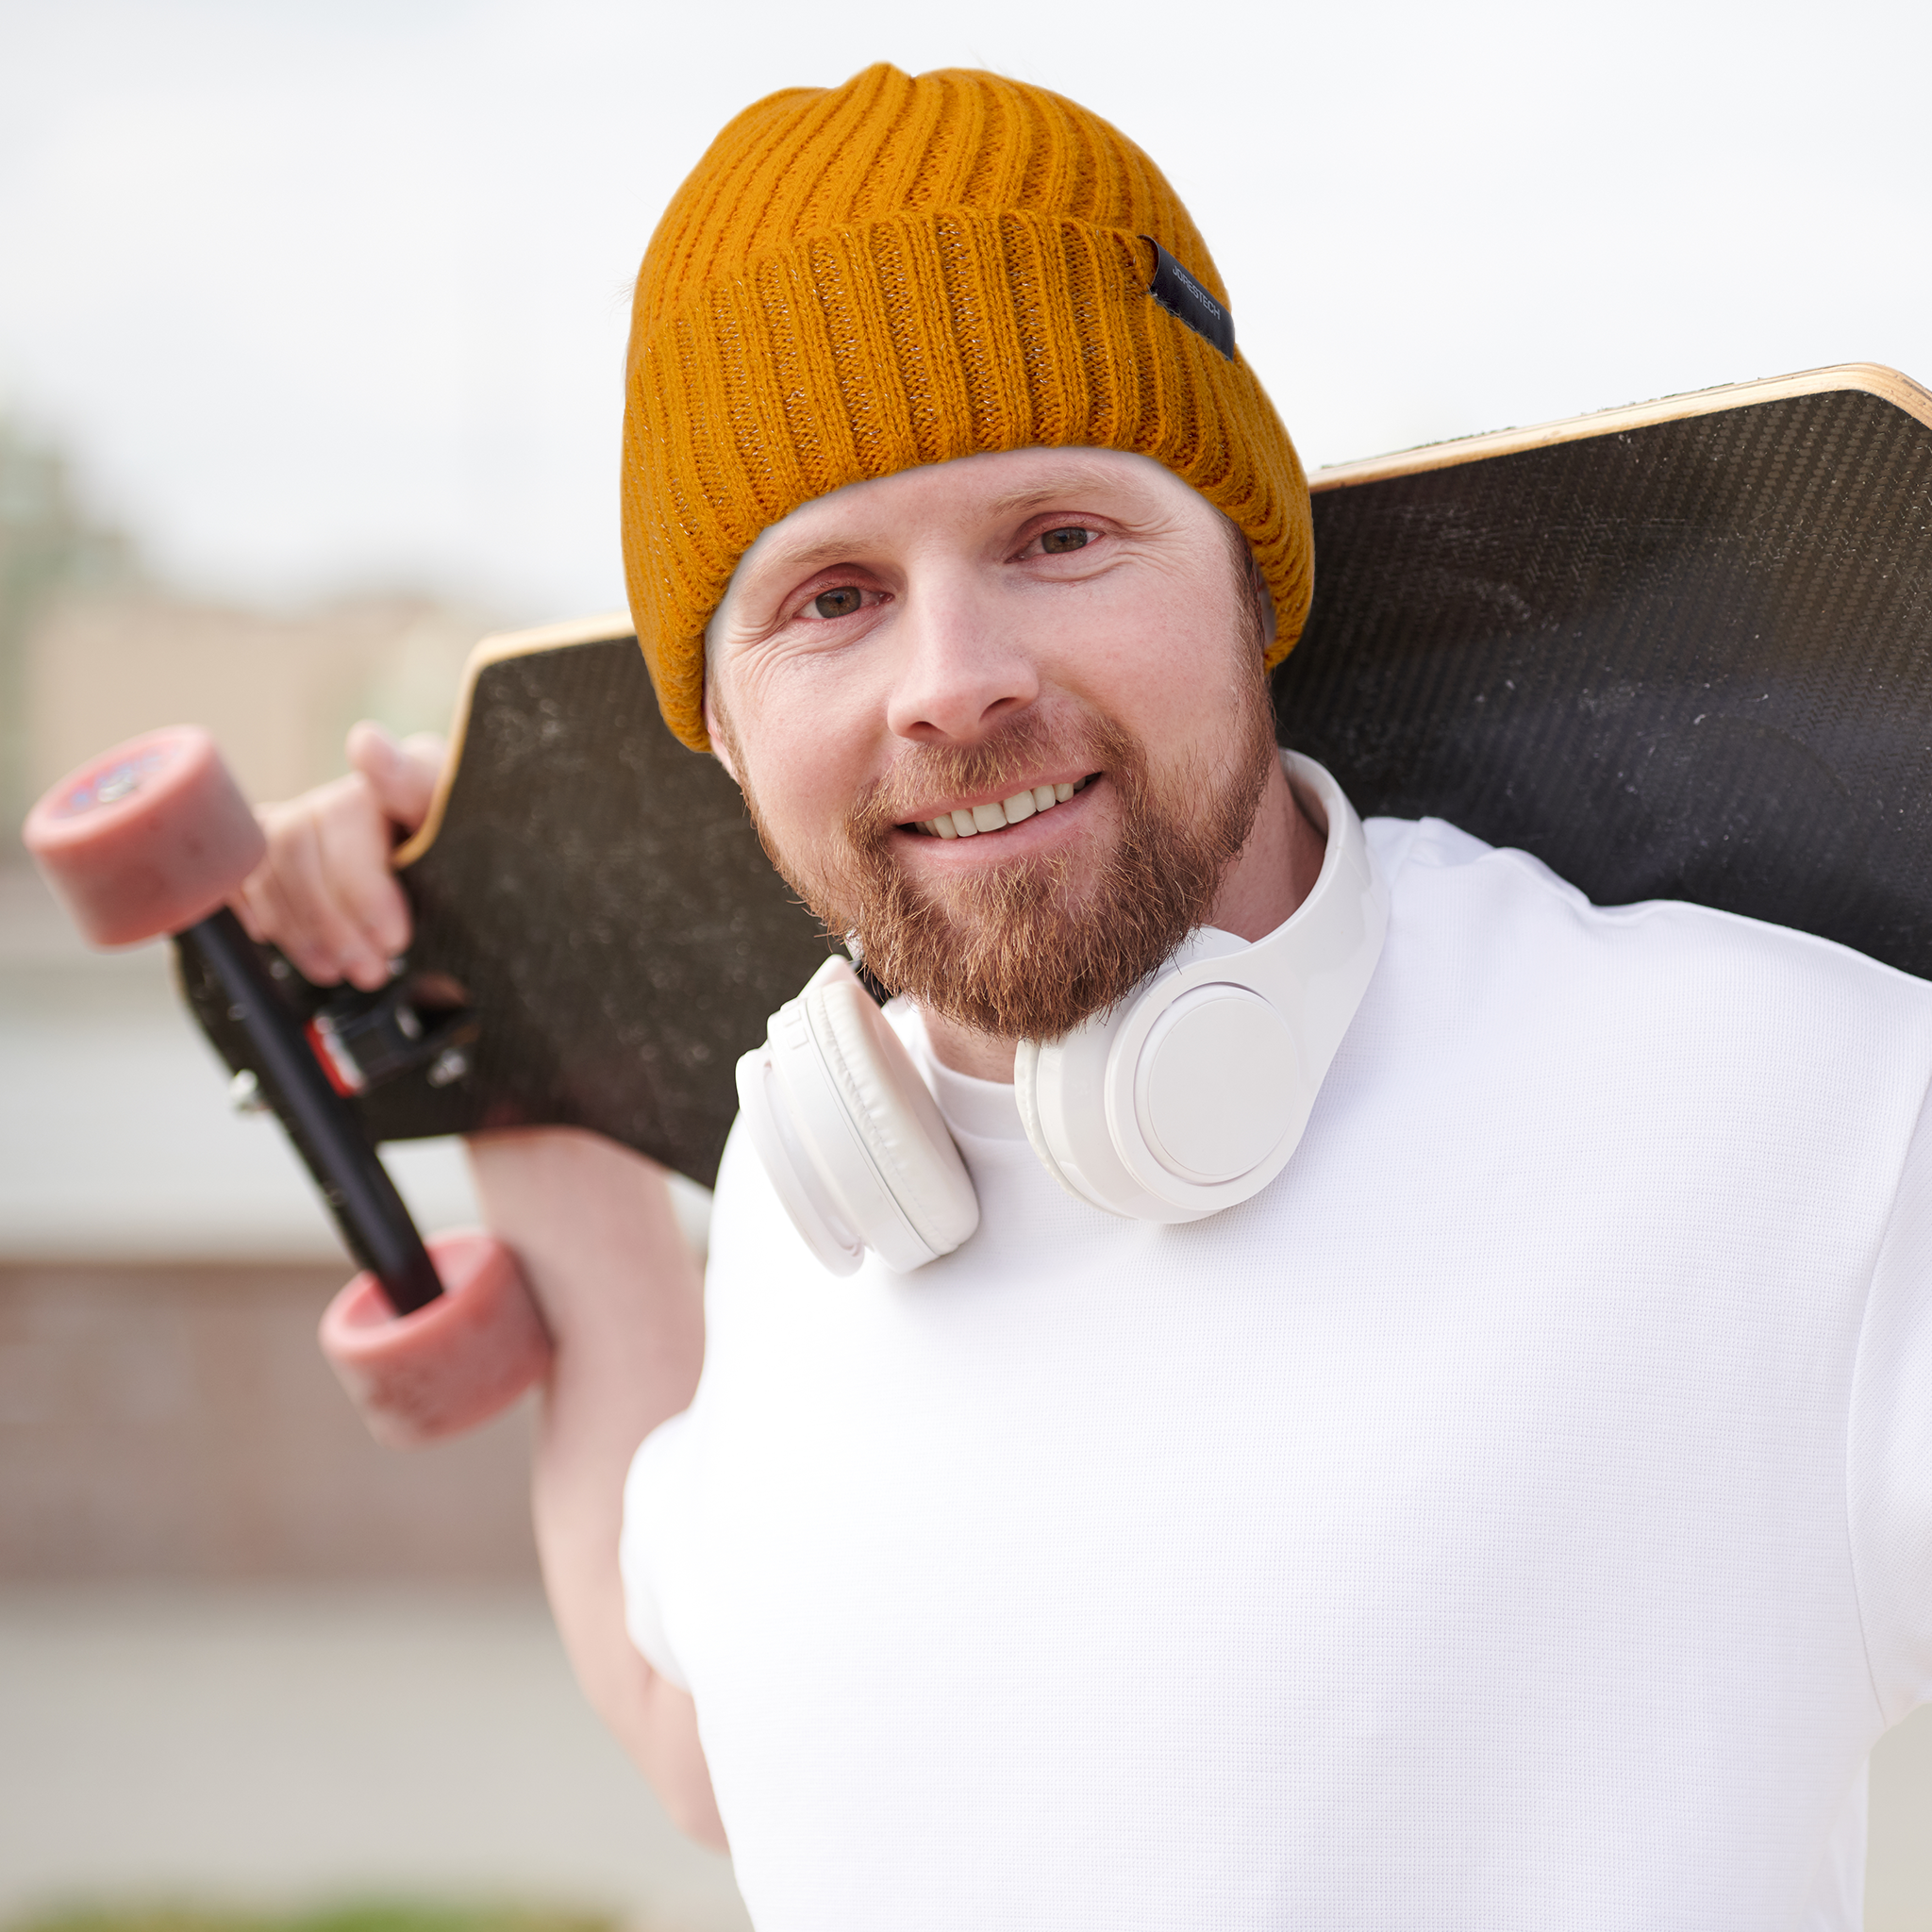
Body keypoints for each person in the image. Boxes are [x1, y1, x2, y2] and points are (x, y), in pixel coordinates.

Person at [237, 64, 1932, 1932]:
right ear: (720, 729)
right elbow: (711, 1733)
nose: (951, 682)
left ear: (1249, 578)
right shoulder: (814, 1217)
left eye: (1058, 538)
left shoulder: (1777, 1109)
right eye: (828, 598)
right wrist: (510, 1004)